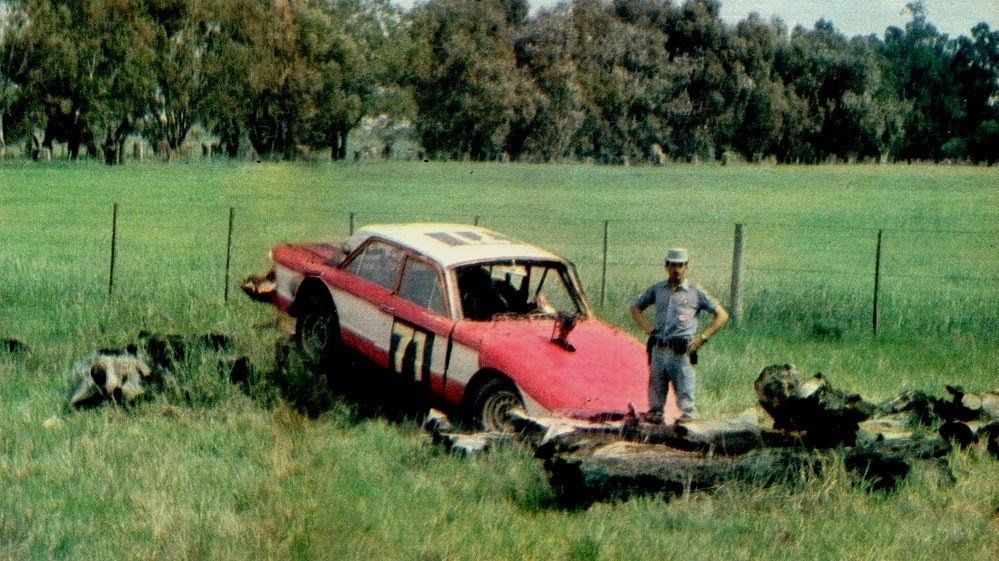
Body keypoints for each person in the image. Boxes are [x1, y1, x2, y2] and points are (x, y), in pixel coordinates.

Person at [630, 248, 729, 424]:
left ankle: (687, 431)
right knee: (655, 399)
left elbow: (722, 315)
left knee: (686, 399)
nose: (677, 269)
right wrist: (647, 328)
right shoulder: (657, 290)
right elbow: (636, 308)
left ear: (687, 267)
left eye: (681, 265)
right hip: (659, 349)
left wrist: (702, 338)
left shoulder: (695, 292)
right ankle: (655, 425)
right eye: (673, 265)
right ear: (666, 266)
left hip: (681, 351)